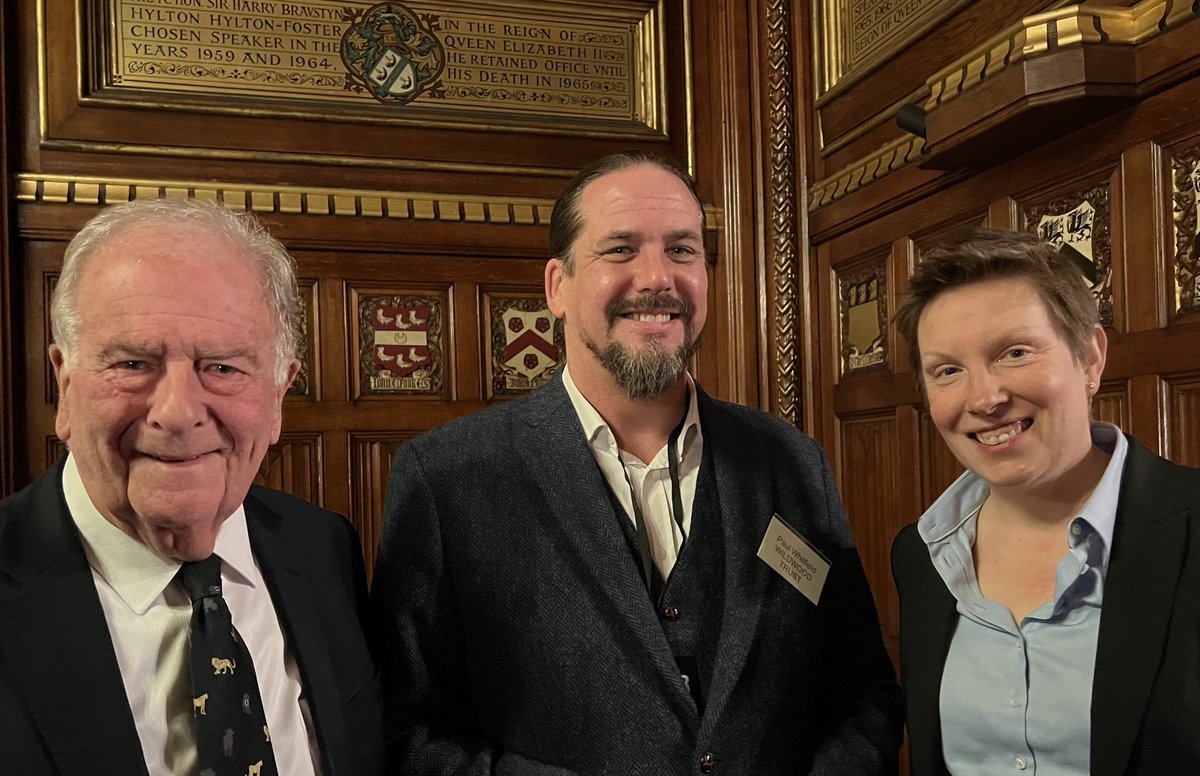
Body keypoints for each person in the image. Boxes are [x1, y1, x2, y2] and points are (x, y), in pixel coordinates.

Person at [371, 151, 902, 774]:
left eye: (682, 250)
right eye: (619, 250)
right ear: (557, 287)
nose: (657, 278)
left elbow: (862, 694)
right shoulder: (447, 480)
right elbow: (412, 734)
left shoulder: (789, 460)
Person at [0, 198, 384, 776]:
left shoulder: (322, 547)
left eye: (223, 367)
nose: (178, 412)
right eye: (133, 363)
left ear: (279, 396)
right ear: (65, 384)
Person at [890, 228, 1200, 776]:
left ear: (1089, 359)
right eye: (948, 370)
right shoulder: (920, 555)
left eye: (1014, 352)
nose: (985, 399)